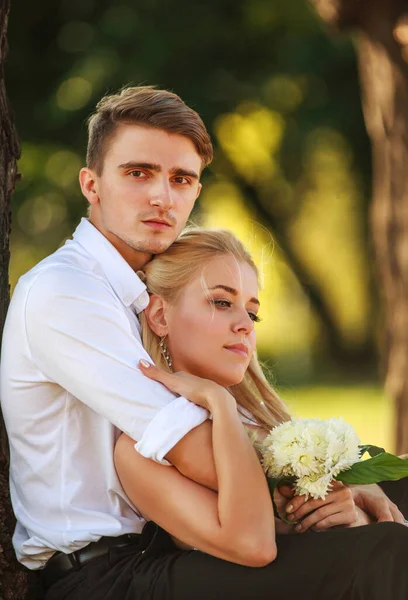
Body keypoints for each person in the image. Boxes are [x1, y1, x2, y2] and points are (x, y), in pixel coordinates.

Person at [0, 85, 405, 599]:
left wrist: (348, 482)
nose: (161, 196)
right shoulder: (67, 290)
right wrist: (326, 485)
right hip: (104, 575)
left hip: (180, 538)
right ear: (91, 183)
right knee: (384, 550)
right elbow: (188, 447)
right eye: (138, 172)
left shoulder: (145, 289)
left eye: (181, 179)